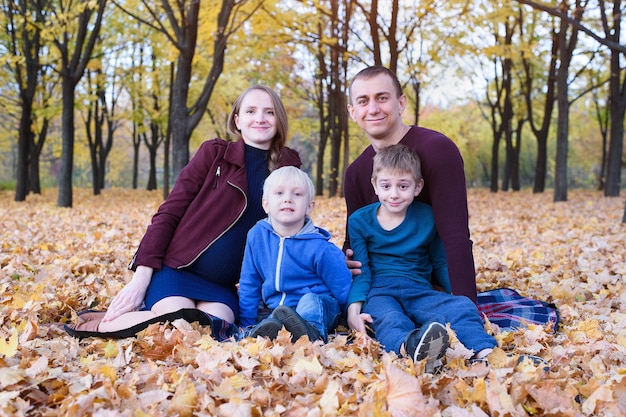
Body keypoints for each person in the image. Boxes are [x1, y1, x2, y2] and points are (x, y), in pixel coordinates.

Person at [65, 85, 302, 341]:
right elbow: (169, 212)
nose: (260, 118)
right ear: (237, 120)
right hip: (176, 271)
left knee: (210, 330)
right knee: (178, 322)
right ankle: (102, 324)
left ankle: (136, 317)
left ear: (279, 119)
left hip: (222, 287)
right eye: (251, 111)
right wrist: (141, 278)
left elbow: (295, 226)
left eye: (269, 112)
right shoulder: (215, 154)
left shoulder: (287, 167)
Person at [347, 144, 496, 372]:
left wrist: (454, 293)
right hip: (379, 290)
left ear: (418, 187)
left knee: (462, 306)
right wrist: (353, 309)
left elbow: (439, 261)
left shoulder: (427, 216)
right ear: (375, 185)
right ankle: (411, 347)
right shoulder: (359, 221)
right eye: (386, 186)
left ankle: (484, 353)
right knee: (389, 319)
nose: (394, 194)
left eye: (403, 186)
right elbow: (361, 269)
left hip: (419, 289)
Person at [343, 65, 477, 304]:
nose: (373, 108)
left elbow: (455, 235)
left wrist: (467, 303)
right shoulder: (356, 173)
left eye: (382, 98)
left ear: (401, 103)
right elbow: (353, 247)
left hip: (432, 284)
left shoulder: (438, 150)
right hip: (383, 291)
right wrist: (355, 302)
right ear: (353, 112)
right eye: (363, 101)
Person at [238, 166, 352, 343]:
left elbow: (343, 287)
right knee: (269, 313)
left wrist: (350, 317)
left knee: (310, 301)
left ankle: (310, 333)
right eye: (279, 193)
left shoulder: (320, 248)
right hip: (276, 307)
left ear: (309, 207)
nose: (288, 199)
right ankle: (267, 331)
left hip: (320, 306)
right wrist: (245, 323)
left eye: (297, 194)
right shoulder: (257, 235)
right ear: (265, 204)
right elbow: (249, 282)